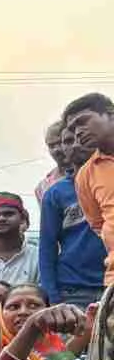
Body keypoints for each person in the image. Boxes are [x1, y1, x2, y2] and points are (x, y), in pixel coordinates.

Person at [40, 125, 107, 307]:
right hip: (73, 291)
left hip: (110, 284)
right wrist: (51, 296)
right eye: (67, 141)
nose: (75, 145)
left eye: (79, 138)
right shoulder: (55, 194)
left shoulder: (109, 183)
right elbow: (47, 248)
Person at [63, 93, 114, 289]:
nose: (77, 132)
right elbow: (98, 225)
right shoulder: (85, 175)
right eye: (73, 129)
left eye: (82, 122)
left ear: (110, 114)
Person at [0, 283, 81, 360]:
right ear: (1, 314)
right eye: (13, 307)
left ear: (48, 310)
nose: (23, 312)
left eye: (33, 305)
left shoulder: (53, 344)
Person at [34, 120, 68, 207]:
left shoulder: (90, 172)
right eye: (51, 146)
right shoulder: (43, 187)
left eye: (60, 143)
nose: (56, 150)